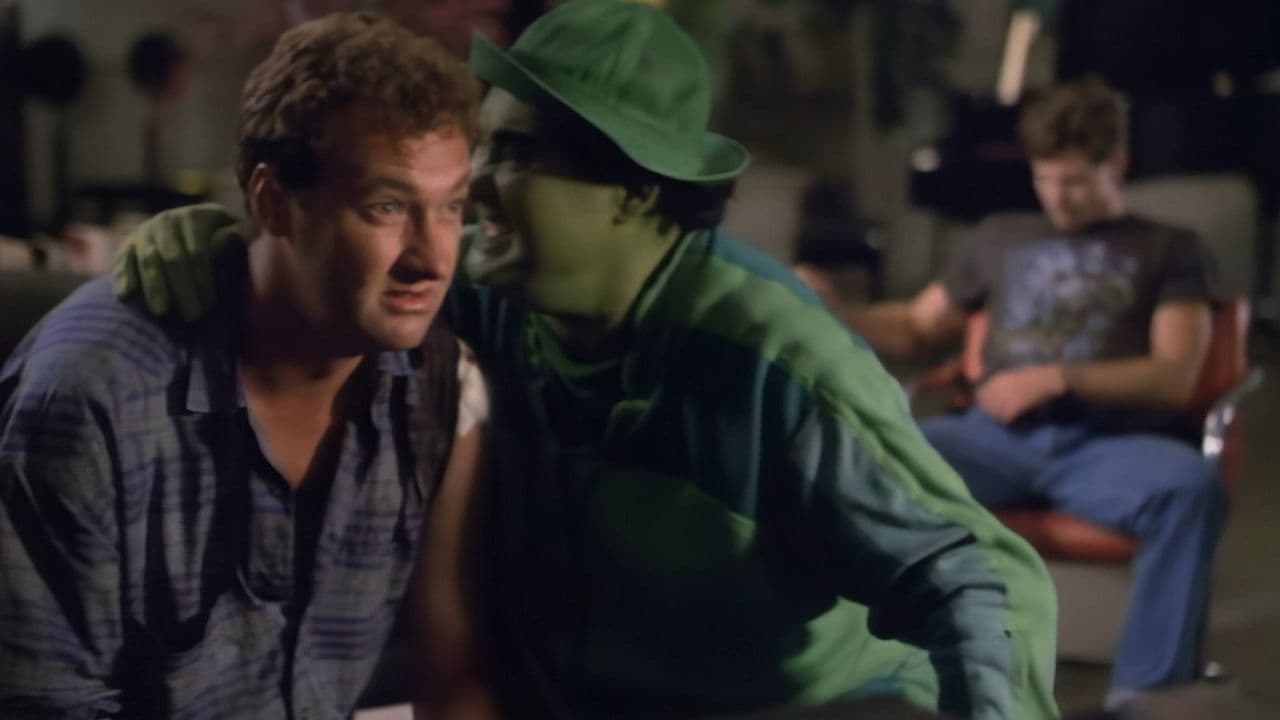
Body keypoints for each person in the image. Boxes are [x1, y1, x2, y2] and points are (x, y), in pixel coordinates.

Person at [113, 2, 1060, 718]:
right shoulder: (484, 289)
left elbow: (980, 581)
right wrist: (213, 242)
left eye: (517, 155)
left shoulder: (773, 361)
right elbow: (325, 265)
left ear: (637, 193)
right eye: (485, 147)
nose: (475, 185)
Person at [0, 13, 492, 719]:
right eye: (386, 206)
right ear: (273, 203)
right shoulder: (94, 396)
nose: (431, 257)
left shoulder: (434, 384)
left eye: (450, 208)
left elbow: (451, 680)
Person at [797, 77, 1226, 710]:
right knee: (860, 459)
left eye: (1075, 181)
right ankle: (855, 659)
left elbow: (1173, 375)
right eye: (1046, 179)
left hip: (1109, 445)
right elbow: (916, 325)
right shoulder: (1001, 235)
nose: (1059, 197)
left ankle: (1144, 699)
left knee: (1189, 488)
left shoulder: (1169, 247)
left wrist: (1058, 377)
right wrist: (833, 308)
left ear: (1117, 165)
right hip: (989, 439)